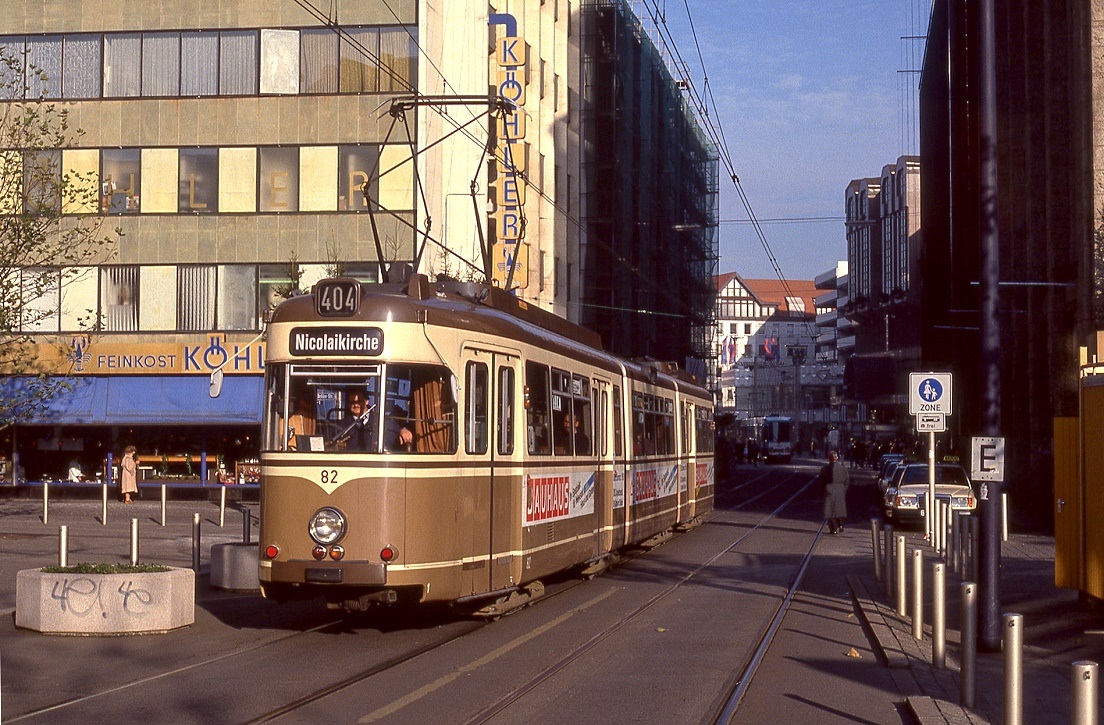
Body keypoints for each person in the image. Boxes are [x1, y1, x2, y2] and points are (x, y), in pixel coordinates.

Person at [819, 450, 850, 534]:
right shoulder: (843, 468)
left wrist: (823, 490)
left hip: (829, 488)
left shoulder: (825, 469)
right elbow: (847, 480)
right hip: (840, 489)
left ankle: (833, 528)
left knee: (830, 509)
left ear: (829, 459)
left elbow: (821, 481)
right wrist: (844, 489)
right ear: (837, 458)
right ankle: (841, 525)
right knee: (840, 508)